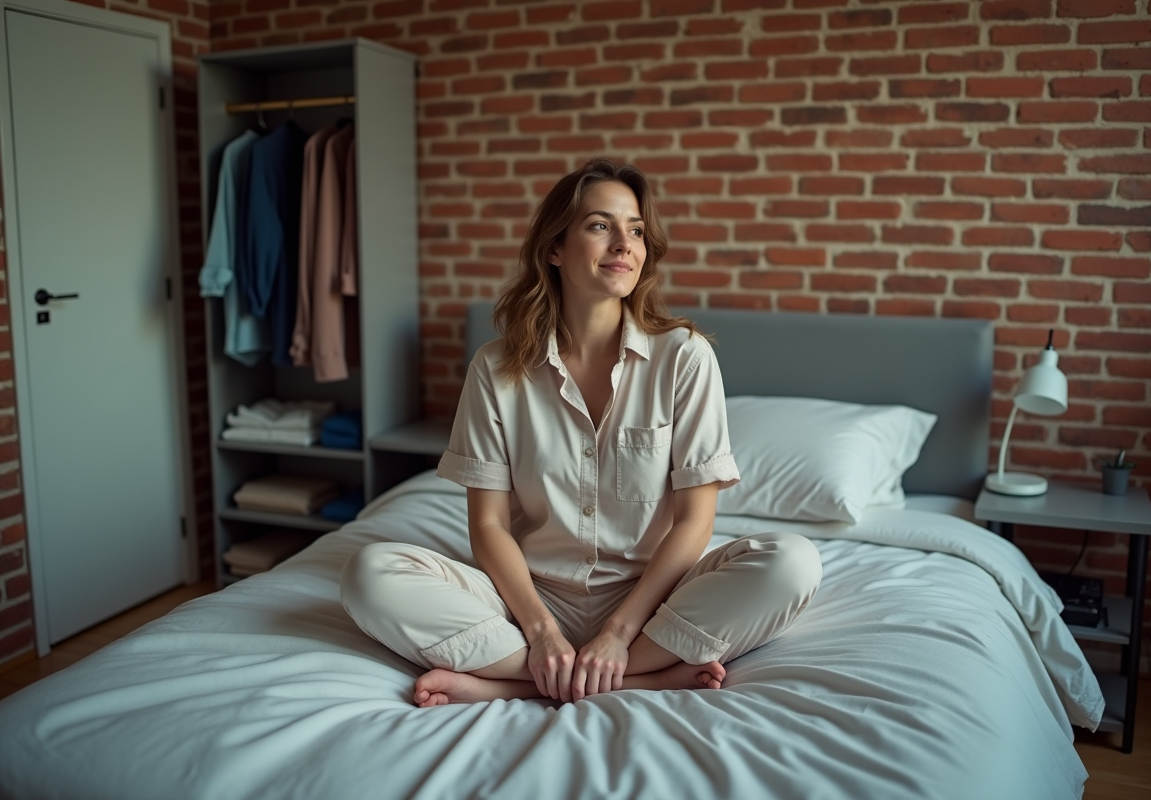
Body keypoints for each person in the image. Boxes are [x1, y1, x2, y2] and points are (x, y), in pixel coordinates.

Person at [340, 158, 822, 707]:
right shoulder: (496, 368)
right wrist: (542, 631)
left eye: (635, 230)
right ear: (554, 247)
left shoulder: (684, 358)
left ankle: (511, 681)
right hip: (525, 599)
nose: (624, 243)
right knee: (369, 573)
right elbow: (490, 524)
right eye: (600, 225)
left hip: (655, 598)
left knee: (792, 562)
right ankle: (639, 677)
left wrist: (618, 633)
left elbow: (694, 522)